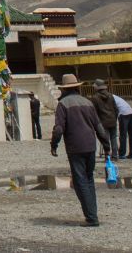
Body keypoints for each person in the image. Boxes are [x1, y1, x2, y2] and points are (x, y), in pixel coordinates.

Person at [50, 73, 111, 227]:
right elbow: (99, 127)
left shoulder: (63, 104)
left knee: (80, 181)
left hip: (75, 147)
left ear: (64, 89)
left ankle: (91, 217)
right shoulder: (88, 103)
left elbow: (58, 129)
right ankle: (92, 213)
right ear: (77, 87)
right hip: (91, 146)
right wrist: (106, 145)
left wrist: (54, 144)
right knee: (89, 179)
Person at [89, 80, 118, 160]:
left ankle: (107, 156)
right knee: (113, 138)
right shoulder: (110, 96)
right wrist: (114, 118)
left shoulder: (94, 98)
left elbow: (93, 111)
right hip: (112, 120)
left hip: (102, 122)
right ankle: (115, 156)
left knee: (105, 139)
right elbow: (116, 109)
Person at [114, 93, 132, 159]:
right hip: (131, 112)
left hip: (123, 114)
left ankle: (122, 153)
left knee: (123, 135)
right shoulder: (115, 97)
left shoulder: (109, 98)